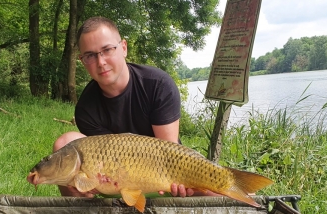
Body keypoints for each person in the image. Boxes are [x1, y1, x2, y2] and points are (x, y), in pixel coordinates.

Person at [53, 16, 221, 198]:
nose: (100, 62)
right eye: (90, 55)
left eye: (107, 50)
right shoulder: (86, 108)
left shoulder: (158, 84)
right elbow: (108, 163)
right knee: (65, 145)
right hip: (118, 182)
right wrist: (89, 181)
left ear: (123, 48)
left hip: (164, 177)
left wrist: (181, 183)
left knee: (218, 191)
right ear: (82, 60)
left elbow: (169, 155)